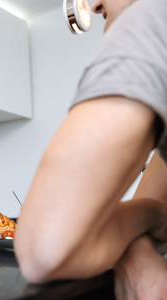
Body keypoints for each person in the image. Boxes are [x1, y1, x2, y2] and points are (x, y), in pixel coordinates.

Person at [14, 0, 167, 295]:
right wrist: (141, 245)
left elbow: (42, 248)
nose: (95, 5)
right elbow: (157, 221)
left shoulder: (150, 16)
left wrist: (154, 215)